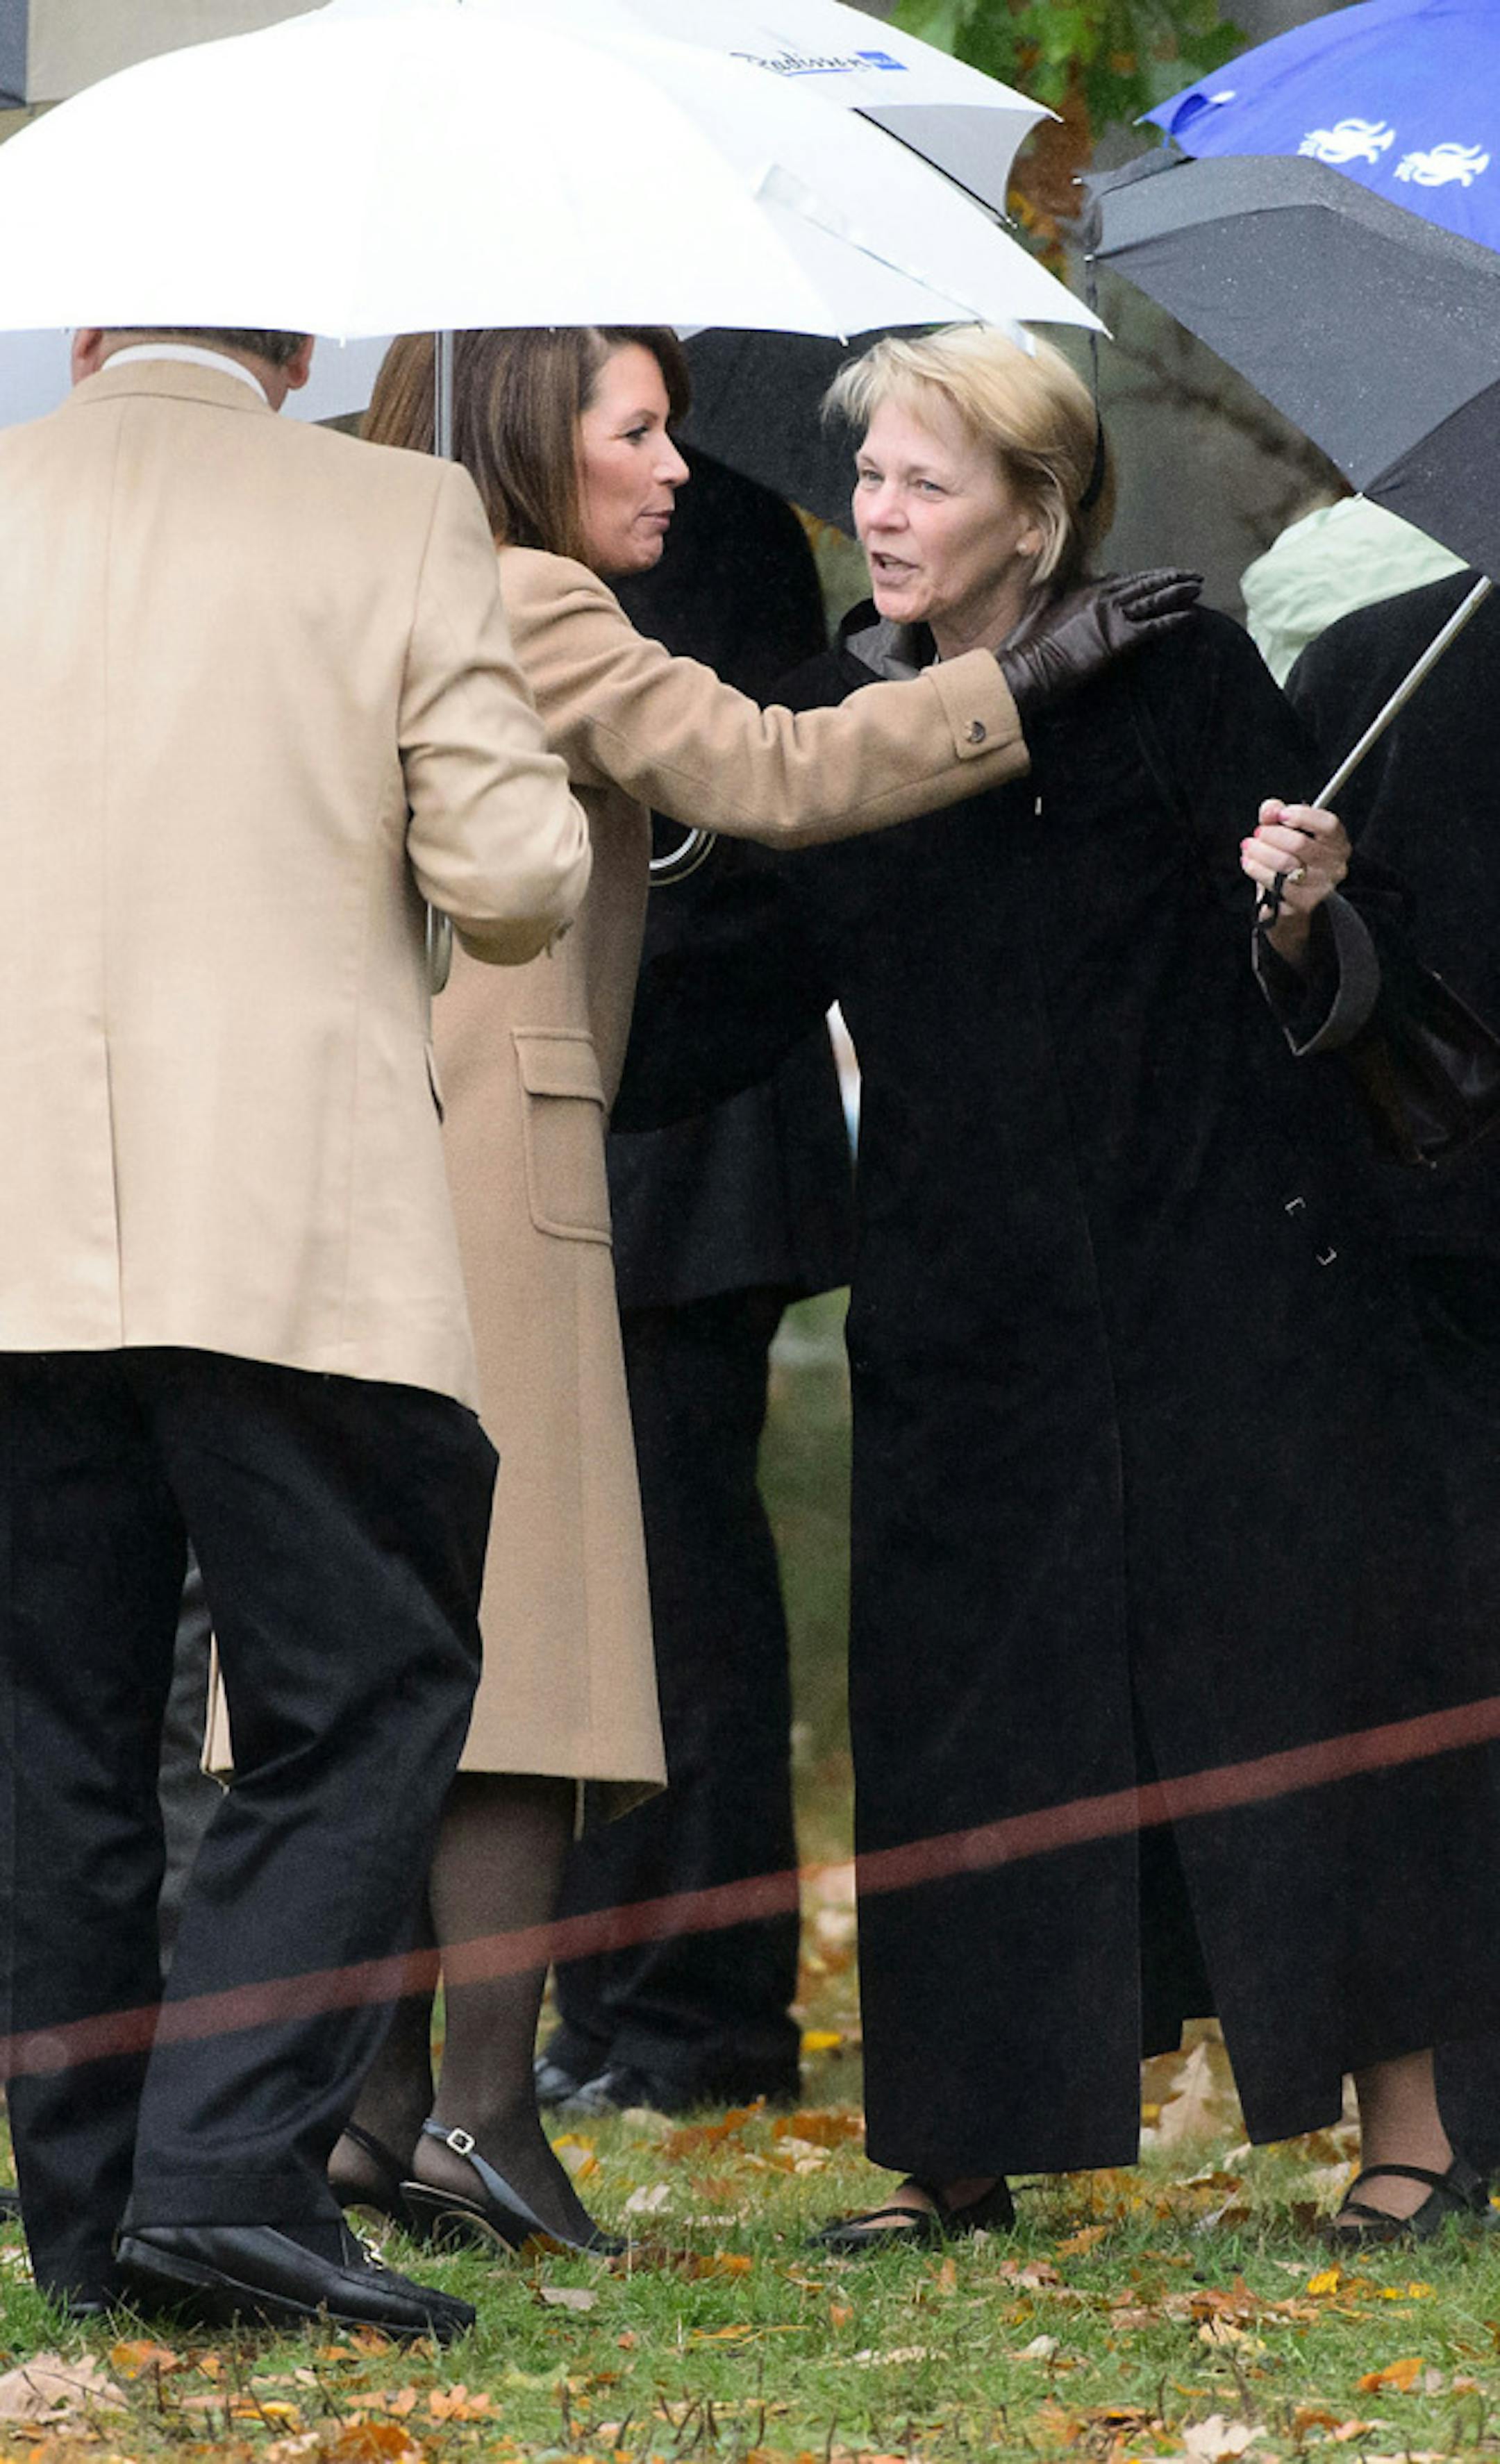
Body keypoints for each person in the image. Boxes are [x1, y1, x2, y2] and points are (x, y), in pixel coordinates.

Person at [612, 323, 1500, 2248]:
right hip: (965, 1289)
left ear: (1040, 511)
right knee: (965, 1708)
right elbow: (721, 995)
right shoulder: (831, 707)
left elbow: (1331, 968)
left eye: (926, 478)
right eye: (868, 474)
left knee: (1298, 1680)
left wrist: (1304, 898)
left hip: (1227, 1269)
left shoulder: (1177, 666)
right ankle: (956, 2142)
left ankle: (1410, 2133)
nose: (878, 507)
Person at [322, 324, 1197, 2258]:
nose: (679, 472)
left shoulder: (380, 565)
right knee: (522, 1658)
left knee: (413, 1651)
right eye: (640, 430)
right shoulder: (530, 588)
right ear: (532, 434)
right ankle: (467, 2113)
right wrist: (1019, 679)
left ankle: (381, 2112)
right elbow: (774, 764)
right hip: (502, 1163)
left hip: (387, 1155)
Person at [0, 321, 591, 2336]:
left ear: (89, 331)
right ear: (288, 335)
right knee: (366, 1688)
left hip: (13, 1243)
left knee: (55, 1729)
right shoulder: (397, 509)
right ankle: (231, 2167)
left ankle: (86, 2217)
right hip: (293, 1238)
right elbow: (512, 877)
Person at [540, 453, 854, 2119]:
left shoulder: (700, 524)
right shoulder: (474, 490)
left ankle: (699, 2008)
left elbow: (737, 838)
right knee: (582, 1591)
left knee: (680, 1586)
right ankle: (606, 1998)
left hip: (689, 1118)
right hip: (576, 1115)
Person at [1285, 570, 1500, 2184]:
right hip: (1428, 1261)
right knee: (1433, 1671)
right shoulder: (1385, 659)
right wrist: (1305, 907)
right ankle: (1444, 2120)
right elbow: (1295, 989)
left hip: (1426, 1247)